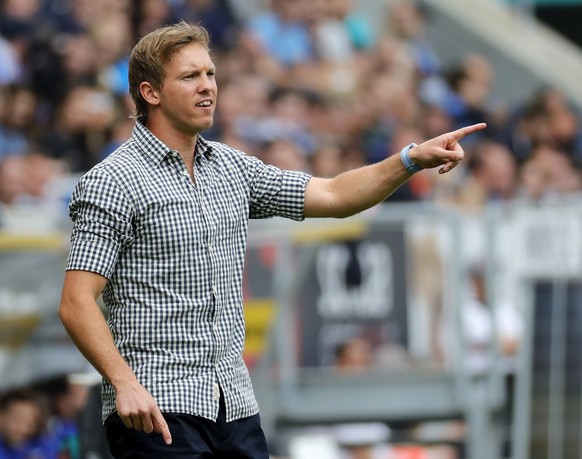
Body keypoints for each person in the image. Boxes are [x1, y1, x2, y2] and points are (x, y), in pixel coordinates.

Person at [57, 20, 486, 459]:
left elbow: (335, 194)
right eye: (190, 77)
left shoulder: (231, 167)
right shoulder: (111, 181)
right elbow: (76, 301)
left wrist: (410, 158)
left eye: (210, 74)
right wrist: (124, 383)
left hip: (235, 403)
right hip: (156, 407)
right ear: (150, 93)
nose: (207, 87)